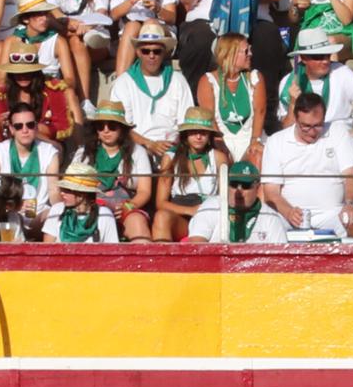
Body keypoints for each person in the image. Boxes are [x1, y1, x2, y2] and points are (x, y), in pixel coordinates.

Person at [261, 87, 353, 231]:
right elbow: (271, 192)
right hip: (288, 216)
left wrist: (350, 204)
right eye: (306, 126)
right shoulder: (276, 141)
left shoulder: (338, 132)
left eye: (318, 125)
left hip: (333, 214)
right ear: (295, 118)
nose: (312, 132)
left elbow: (350, 176)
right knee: (267, 224)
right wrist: (288, 212)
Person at [44, 0, 112, 112]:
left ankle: (85, 99)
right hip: (68, 37)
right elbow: (52, 15)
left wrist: (85, 25)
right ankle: (81, 101)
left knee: (78, 40)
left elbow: (101, 12)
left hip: (94, 38)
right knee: (73, 40)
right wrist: (70, 25)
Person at [71, 98, 154, 239]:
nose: (106, 130)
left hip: (126, 209)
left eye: (112, 126)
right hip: (90, 209)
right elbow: (71, 187)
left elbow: (145, 191)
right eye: (100, 126)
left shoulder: (137, 152)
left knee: (137, 222)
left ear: (122, 128)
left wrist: (128, 206)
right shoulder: (83, 153)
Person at [110, 20, 194, 154]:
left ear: (165, 52)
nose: (151, 56)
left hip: (172, 147)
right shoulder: (124, 82)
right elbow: (120, 126)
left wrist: (171, 147)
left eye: (157, 51)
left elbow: (186, 122)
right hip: (136, 147)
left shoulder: (178, 80)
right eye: (145, 51)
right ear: (137, 52)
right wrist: (148, 144)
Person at [0, 97, 61, 232]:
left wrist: (62, 210)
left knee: (57, 213)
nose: (25, 130)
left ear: (36, 126)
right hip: (8, 213)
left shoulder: (49, 152)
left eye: (30, 125)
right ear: (11, 129)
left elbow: (54, 192)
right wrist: (14, 207)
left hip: (38, 216)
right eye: (18, 126)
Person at [152, 106, 227, 240]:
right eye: (193, 132)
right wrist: (190, 211)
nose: (198, 137)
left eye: (203, 133)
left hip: (209, 216)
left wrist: (202, 211)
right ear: (185, 134)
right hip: (180, 215)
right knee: (161, 216)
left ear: (210, 135)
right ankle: (162, 260)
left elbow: (225, 196)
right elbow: (161, 203)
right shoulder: (170, 158)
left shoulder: (218, 157)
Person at [279, 25, 353, 133]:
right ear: (304, 58)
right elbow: (286, 131)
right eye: (319, 56)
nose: (325, 61)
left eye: (327, 55)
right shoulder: (288, 83)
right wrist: (293, 104)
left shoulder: (341, 72)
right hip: (305, 140)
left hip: (339, 138)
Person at [198, 31, 267, 163]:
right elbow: (209, 117)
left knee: (257, 155)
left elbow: (260, 112)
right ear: (230, 54)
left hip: (250, 137)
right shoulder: (208, 81)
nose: (251, 54)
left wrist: (254, 142)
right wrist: (220, 143)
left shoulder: (254, 77)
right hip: (221, 138)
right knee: (221, 159)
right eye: (246, 51)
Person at [188, 156, 292, 240]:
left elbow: (280, 261)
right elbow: (196, 246)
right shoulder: (210, 208)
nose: (238, 191)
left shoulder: (270, 217)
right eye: (234, 184)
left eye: (245, 186)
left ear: (257, 187)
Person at [41, 156, 121, 239]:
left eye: (67, 190)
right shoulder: (57, 210)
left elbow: (111, 249)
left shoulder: (104, 215)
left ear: (82, 194)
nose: (62, 193)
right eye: (62, 189)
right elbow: (47, 247)